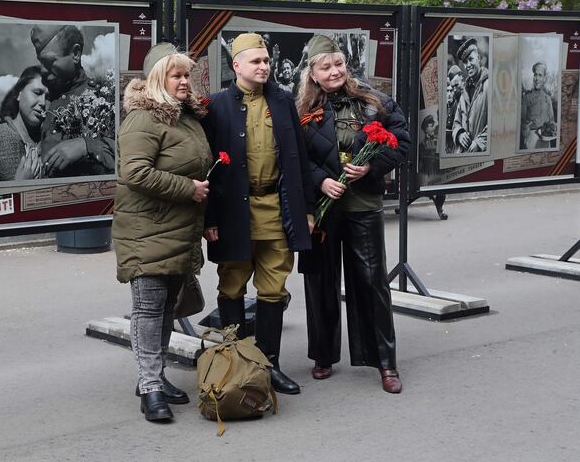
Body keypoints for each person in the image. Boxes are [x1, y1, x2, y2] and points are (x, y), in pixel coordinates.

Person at [201, 33, 315, 395]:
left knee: (273, 288)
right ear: (237, 65)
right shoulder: (216, 105)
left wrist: (307, 210)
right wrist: (209, 219)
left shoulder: (282, 102)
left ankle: (270, 365)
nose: (264, 67)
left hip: (275, 210)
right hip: (234, 211)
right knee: (232, 283)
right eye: (256, 62)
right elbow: (206, 167)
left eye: (266, 61)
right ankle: (234, 363)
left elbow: (299, 158)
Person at [296, 34, 410, 393]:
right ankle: (323, 355)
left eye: (339, 64)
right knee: (320, 282)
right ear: (312, 72)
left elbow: (402, 143)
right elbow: (295, 158)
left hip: (363, 206)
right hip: (323, 209)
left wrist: (372, 166)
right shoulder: (299, 108)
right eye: (326, 66)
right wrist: (320, 182)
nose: (334, 71)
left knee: (371, 282)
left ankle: (385, 363)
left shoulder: (375, 101)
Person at [112, 43, 212, 422]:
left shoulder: (185, 117)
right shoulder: (143, 119)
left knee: (168, 308)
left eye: (187, 74)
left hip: (177, 228)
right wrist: (188, 189)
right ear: (158, 78)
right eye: (177, 75)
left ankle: (156, 377)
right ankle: (150, 387)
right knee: (149, 310)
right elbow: (134, 173)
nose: (185, 81)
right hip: (147, 230)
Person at [30, 24, 115, 177]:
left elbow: (133, 155)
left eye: (49, 62)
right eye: (40, 62)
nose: (42, 69)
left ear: (75, 53)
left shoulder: (103, 99)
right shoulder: (38, 99)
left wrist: (86, 145)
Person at [452, 38, 489, 153]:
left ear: (479, 58)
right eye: (465, 62)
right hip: (463, 156)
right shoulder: (464, 90)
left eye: (470, 59)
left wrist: (479, 142)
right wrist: (459, 134)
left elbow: (496, 123)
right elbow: (456, 122)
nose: (467, 65)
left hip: (482, 158)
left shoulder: (489, 85)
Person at [520, 61, 557, 150]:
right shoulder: (526, 98)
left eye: (540, 75)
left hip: (546, 141)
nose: (537, 78)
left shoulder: (548, 98)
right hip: (531, 141)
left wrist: (552, 128)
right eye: (535, 75)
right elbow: (523, 128)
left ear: (544, 78)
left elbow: (552, 122)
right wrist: (525, 128)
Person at [445, 64, 463, 153]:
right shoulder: (442, 108)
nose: (449, 93)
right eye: (447, 91)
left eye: (451, 91)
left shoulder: (457, 104)